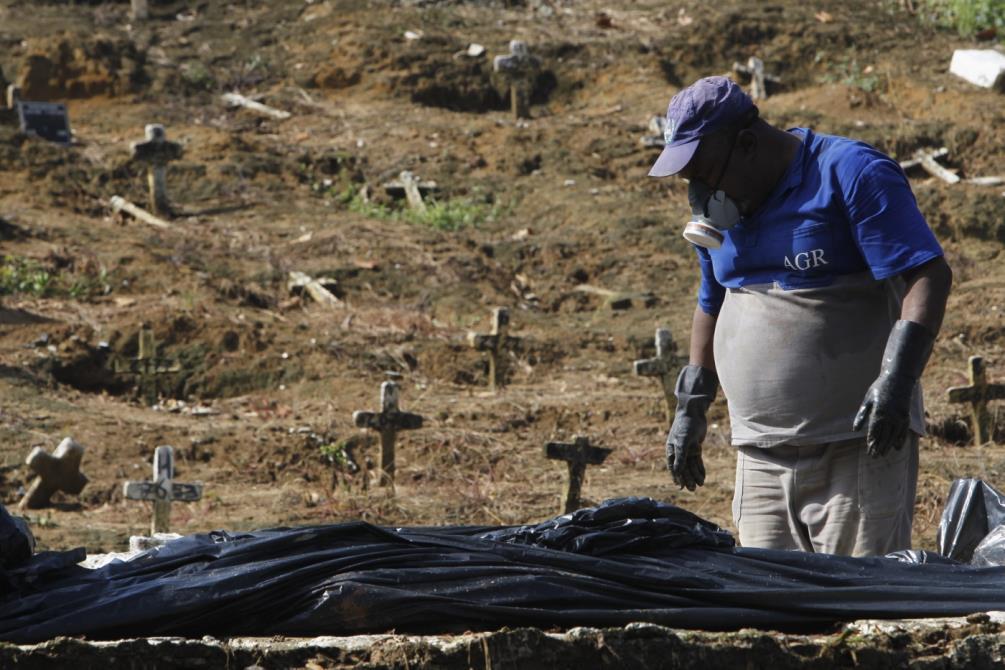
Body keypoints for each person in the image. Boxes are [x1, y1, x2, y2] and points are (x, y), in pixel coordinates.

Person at [649, 76, 953, 557]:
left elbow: (927, 273)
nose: (700, 195)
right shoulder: (724, 215)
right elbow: (711, 302)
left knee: (860, 606)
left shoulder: (848, 173)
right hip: (760, 455)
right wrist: (691, 409)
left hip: (854, 446)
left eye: (705, 175)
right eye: (690, 184)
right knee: (776, 609)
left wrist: (898, 378)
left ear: (746, 144)